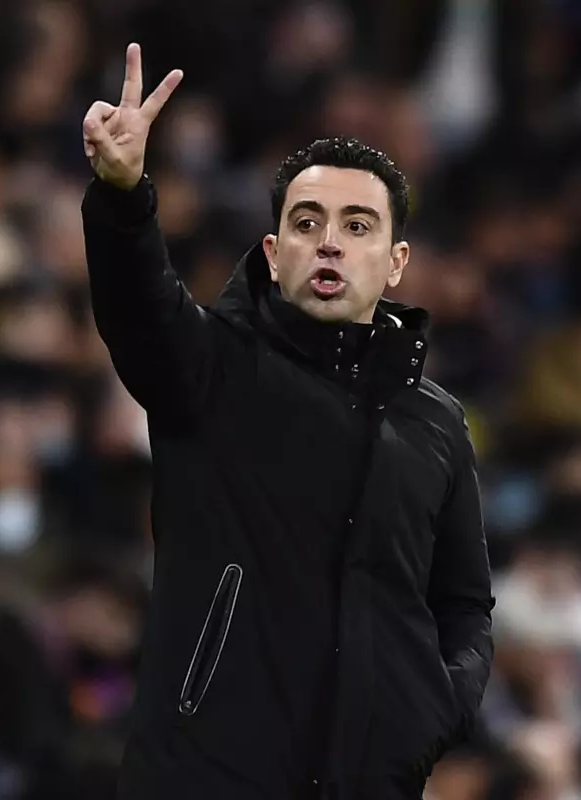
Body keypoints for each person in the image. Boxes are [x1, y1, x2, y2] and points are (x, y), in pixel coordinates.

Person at [79, 43, 495, 800]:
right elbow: (140, 307)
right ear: (274, 253)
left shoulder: (435, 422)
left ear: (396, 262)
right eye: (307, 222)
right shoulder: (213, 368)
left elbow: (463, 601)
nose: (330, 239)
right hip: (205, 777)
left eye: (357, 225)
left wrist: (434, 709)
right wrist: (122, 194)